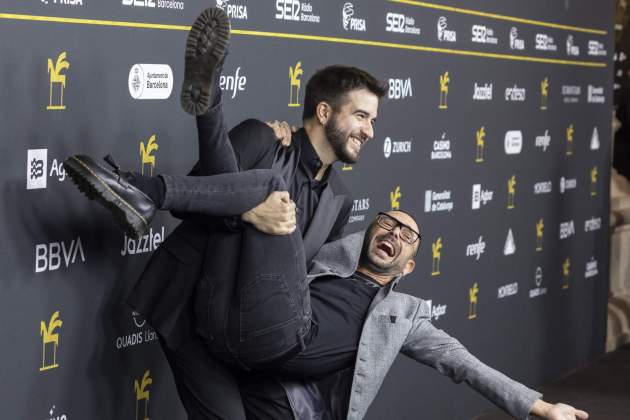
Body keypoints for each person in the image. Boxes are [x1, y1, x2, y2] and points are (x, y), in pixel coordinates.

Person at [63, 6, 386, 419]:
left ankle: (182, 137)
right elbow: (197, 199)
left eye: (372, 120)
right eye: (361, 116)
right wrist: (249, 215)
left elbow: (303, 281)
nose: (370, 131)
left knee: (269, 192)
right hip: (193, 305)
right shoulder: (265, 139)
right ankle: (205, 100)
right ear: (324, 113)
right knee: (261, 186)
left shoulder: (339, 202)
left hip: (250, 329)